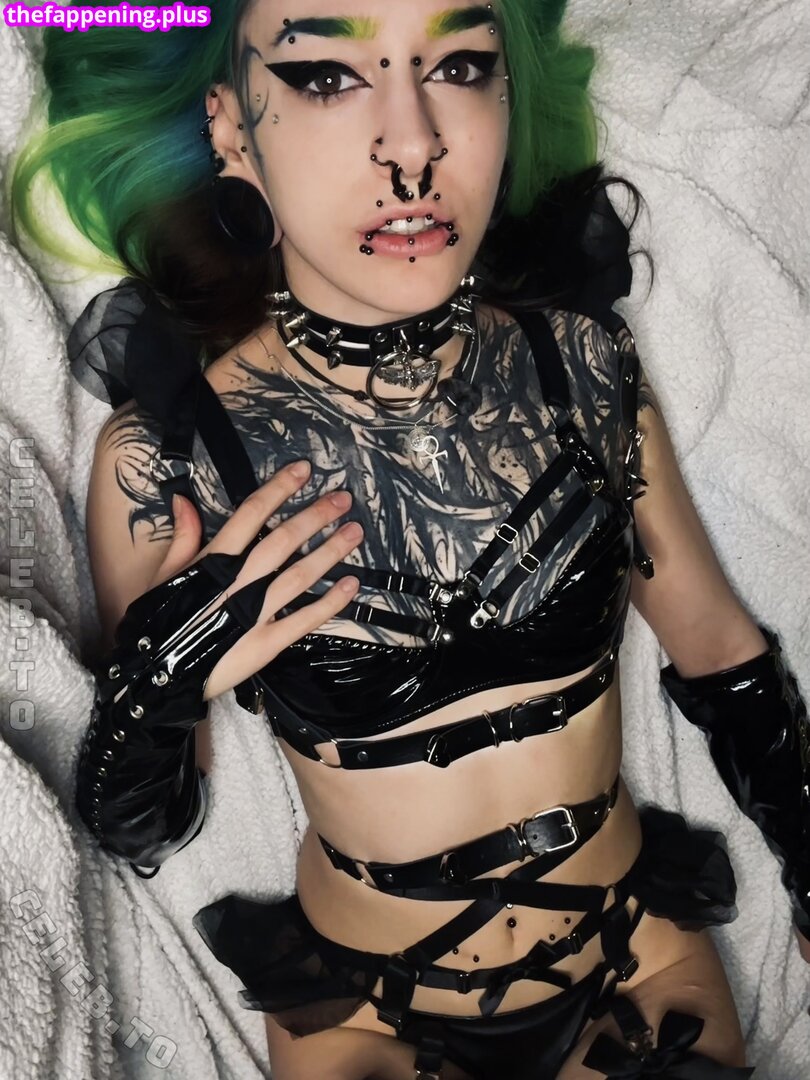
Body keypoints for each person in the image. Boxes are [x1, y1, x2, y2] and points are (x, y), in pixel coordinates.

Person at [10, 1, 809, 1077]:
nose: (414, 146)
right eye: (328, 77)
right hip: (366, 1020)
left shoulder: (582, 369)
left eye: (461, 65)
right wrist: (157, 681)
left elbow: (715, 644)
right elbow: (146, 830)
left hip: (636, 965)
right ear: (231, 127)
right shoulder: (170, 464)